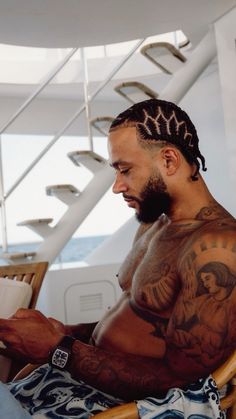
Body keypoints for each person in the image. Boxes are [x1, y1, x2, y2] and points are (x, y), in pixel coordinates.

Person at [0, 98, 236, 418]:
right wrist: (69, 331)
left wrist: (58, 350)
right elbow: (142, 320)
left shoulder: (217, 248)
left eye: (125, 169)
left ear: (169, 161)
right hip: (86, 378)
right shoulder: (156, 222)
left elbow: (184, 382)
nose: (117, 186)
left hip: (122, 406)